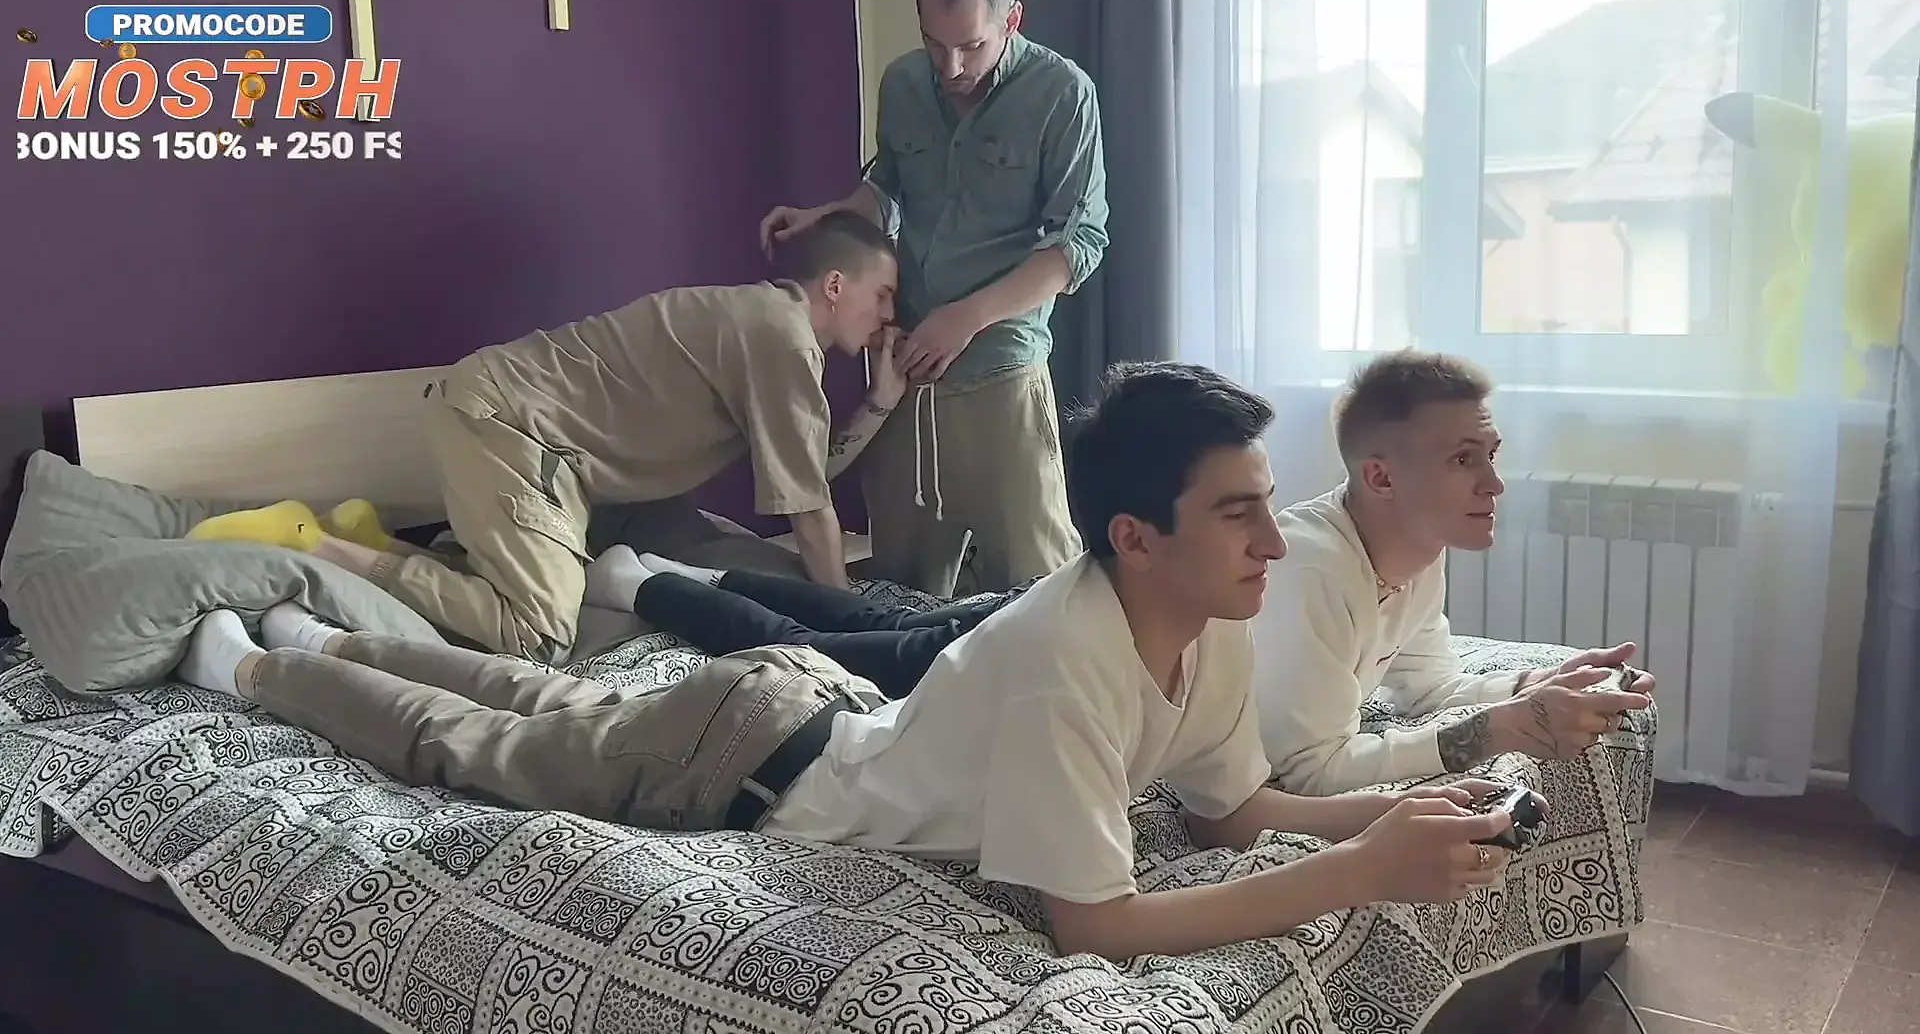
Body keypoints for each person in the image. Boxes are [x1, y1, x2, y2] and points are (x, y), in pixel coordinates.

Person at [170, 360, 1525, 963]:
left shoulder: (1209, 623)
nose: (1274, 542)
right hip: (751, 763)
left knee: (551, 700)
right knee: (491, 746)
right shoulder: (1070, 657)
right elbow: (1097, 928)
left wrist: (1396, 810)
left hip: (802, 706)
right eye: (1238, 514)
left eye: (1265, 506)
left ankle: (322, 633)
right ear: (1135, 537)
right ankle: (259, 669)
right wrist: (1360, 870)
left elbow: (1231, 814)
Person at [184, 211, 902, 665]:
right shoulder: (779, 335)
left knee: (733, 564)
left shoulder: (771, 328)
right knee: (540, 634)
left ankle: (376, 541)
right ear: (835, 285)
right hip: (513, 427)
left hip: (555, 455)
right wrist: (850, 631)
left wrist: (879, 401)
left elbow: (804, 476)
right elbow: (809, 507)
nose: (888, 315)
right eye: (883, 296)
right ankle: (316, 543)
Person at [759, 0, 1109, 598]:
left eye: (971, 46)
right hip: (905, 368)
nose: (949, 68)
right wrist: (824, 219)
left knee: (1038, 586)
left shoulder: (1063, 94)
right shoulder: (902, 84)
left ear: (1012, 20)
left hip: (1001, 372)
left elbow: (1076, 245)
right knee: (902, 583)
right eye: (932, 42)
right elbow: (886, 191)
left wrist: (966, 318)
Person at [1254, 350, 1657, 796]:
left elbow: (1428, 688)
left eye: (1491, 455)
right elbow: (1310, 772)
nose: (1494, 484)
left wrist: (1541, 683)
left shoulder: (1417, 548)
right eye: (1463, 460)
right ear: (1381, 478)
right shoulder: (1311, 570)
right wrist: (1497, 729)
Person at [580, 548, 1036, 698]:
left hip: (1036, 605)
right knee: (813, 651)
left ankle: (690, 578)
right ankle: (639, 587)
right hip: (1028, 635)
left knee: (893, 623)